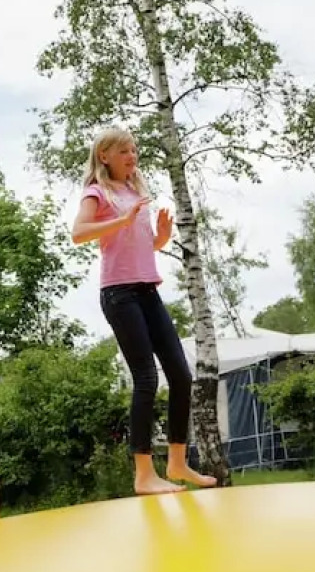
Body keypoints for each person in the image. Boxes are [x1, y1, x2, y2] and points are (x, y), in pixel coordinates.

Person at [71, 127, 216, 495]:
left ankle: (178, 463)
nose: (132, 157)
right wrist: (119, 221)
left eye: (134, 151)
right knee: (146, 379)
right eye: (124, 151)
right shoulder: (97, 192)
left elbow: (143, 246)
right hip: (119, 295)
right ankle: (143, 475)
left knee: (182, 376)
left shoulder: (135, 192)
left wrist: (162, 237)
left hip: (147, 289)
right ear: (104, 155)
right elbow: (78, 232)